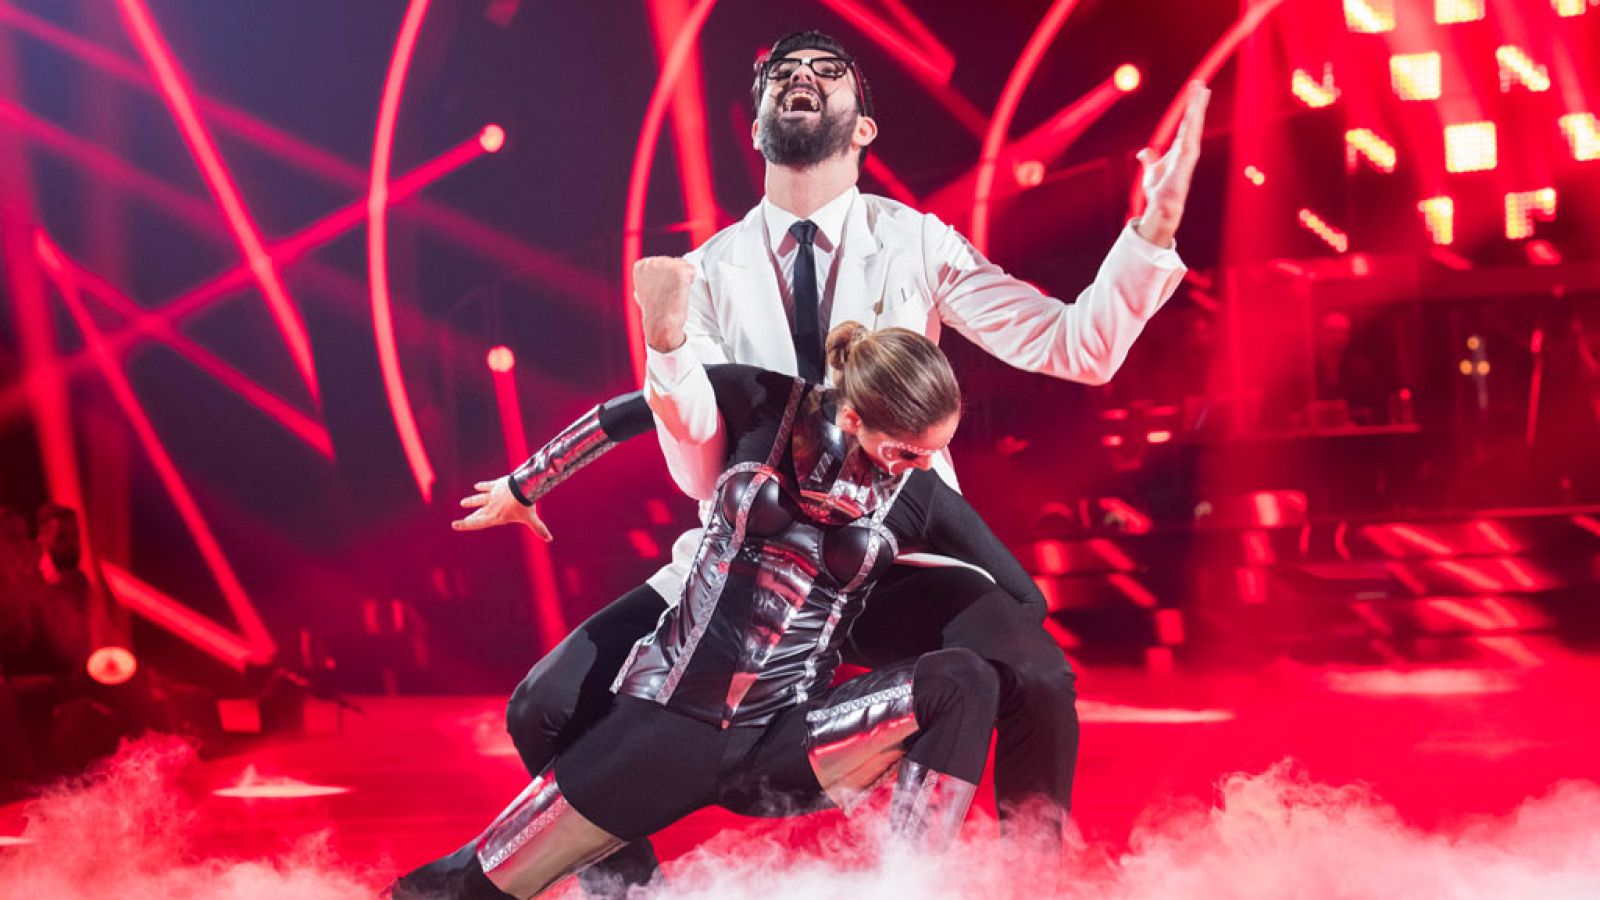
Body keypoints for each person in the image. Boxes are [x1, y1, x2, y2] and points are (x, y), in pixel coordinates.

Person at [497, 27, 1208, 884]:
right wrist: (668, 349)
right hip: (745, 571)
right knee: (543, 705)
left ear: (865, 126)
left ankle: (1030, 883)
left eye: (827, 72)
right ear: (756, 128)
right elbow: (697, 471)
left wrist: (1152, 233)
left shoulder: (918, 243)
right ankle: (629, 887)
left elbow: (1075, 347)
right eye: (783, 74)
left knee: (1038, 676)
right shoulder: (702, 273)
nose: (802, 79)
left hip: (890, 551)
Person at [394, 323, 1041, 899]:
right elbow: (635, 411)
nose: (924, 466)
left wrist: (936, 660)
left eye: (936, 450)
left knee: (963, 680)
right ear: (853, 418)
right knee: (455, 888)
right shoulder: (765, 403)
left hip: (787, 740)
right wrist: (525, 483)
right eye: (909, 450)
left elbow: (1023, 598)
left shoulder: (918, 493)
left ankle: (908, 891)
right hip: (667, 722)